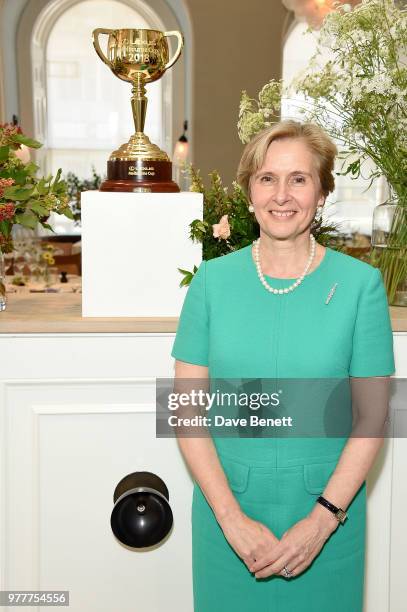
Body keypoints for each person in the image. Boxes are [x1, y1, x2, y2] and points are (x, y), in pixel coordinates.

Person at [171, 120, 395, 611]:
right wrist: (230, 519)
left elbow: (372, 417)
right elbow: (187, 412)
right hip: (228, 523)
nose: (282, 195)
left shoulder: (360, 287)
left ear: (321, 192)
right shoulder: (210, 282)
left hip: (327, 524)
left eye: (299, 179)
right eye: (267, 178)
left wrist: (321, 521)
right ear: (250, 192)